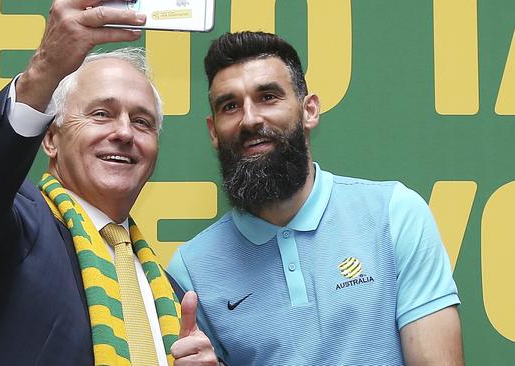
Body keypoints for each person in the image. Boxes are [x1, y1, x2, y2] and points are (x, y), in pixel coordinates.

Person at [0, 1, 216, 365]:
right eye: (101, 114)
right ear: (50, 139)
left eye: (142, 122)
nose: (125, 132)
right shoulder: (16, 230)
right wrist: (46, 68)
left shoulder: (170, 292)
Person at [167, 31, 464, 366]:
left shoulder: (396, 215)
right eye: (230, 106)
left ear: (309, 110)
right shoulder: (190, 270)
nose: (249, 119)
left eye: (268, 97)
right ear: (213, 132)